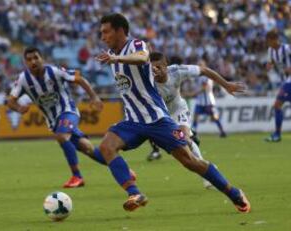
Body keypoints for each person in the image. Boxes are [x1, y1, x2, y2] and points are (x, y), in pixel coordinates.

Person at [96, 13, 250, 213]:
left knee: (190, 161)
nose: (102, 37)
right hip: (133, 121)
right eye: (101, 33)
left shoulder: (135, 46)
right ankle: (134, 193)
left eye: (106, 32)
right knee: (107, 147)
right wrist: (115, 58)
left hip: (158, 119)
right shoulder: (111, 55)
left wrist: (118, 58)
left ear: (120, 30)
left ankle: (233, 193)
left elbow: (143, 57)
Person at [8, 47, 113, 188]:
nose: (33, 61)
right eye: (29, 59)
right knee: (87, 149)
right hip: (53, 121)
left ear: (42, 59)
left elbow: (79, 78)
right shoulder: (23, 79)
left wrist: (94, 97)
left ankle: (77, 176)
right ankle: (124, 169)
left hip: (68, 111)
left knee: (62, 136)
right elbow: (11, 101)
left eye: (36, 58)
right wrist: (19, 108)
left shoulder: (54, 71)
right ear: (25, 62)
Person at [145, 52, 245, 188]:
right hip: (161, 117)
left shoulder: (177, 71)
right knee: (183, 150)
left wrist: (226, 84)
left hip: (178, 111)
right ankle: (208, 168)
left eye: (158, 67)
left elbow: (204, 70)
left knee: (185, 138)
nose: (155, 71)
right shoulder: (146, 80)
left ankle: (207, 175)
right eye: (152, 68)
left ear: (166, 65)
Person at [265, 30, 291, 142]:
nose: (268, 43)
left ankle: (277, 134)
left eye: (269, 41)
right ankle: (277, 134)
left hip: (289, 81)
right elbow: (271, 62)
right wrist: (269, 65)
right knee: (277, 106)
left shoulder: (286, 48)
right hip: (285, 80)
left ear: (275, 39)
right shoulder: (270, 51)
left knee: (277, 105)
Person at [191, 60, 227, 138]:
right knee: (196, 116)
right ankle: (194, 132)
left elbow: (204, 87)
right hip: (200, 101)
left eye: (201, 65)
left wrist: (193, 93)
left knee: (214, 117)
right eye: (198, 65)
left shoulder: (205, 76)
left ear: (204, 65)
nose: (199, 66)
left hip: (208, 101)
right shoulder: (199, 76)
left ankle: (222, 131)